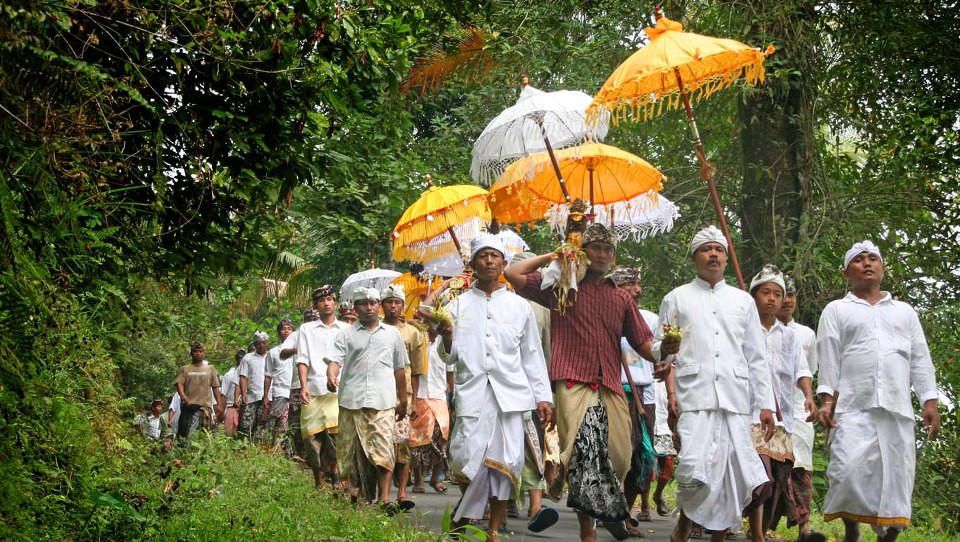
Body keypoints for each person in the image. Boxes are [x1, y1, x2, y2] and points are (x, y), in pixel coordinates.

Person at [505, 223, 650, 542]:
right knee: (586, 452)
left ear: (613, 257)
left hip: (610, 384)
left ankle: (591, 495)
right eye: (594, 248)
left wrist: (666, 352)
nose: (600, 254)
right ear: (583, 252)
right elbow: (513, 274)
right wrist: (556, 256)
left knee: (621, 458)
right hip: (572, 382)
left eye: (607, 250)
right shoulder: (562, 286)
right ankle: (589, 531)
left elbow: (644, 343)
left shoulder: (621, 297)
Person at [649, 226, 775, 542]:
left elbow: (757, 357)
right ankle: (684, 523)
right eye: (707, 249)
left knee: (730, 474)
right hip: (695, 396)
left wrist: (766, 405)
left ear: (726, 257)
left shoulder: (743, 301)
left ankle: (717, 536)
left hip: (735, 400)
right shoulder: (676, 297)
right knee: (692, 468)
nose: (714, 254)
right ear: (695, 258)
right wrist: (664, 350)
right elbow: (658, 346)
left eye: (719, 249)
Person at [816, 241, 940, 542]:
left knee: (896, 478)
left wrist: (929, 400)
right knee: (845, 471)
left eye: (873, 259)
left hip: (896, 410)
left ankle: (889, 538)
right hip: (853, 406)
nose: (867, 263)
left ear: (882, 268)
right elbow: (829, 356)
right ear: (847, 272)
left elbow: (920, 357)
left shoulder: (904, 312)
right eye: (859, 260)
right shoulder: (836, 310)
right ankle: (851, 531)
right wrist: (827, 401)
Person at [439, 234, 554, 541]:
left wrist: (543, 396)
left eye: (494, 256)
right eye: (482, 255)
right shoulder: (456, 306)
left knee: (506, 463)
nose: (489, 261)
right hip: (471, 393)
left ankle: (492, 529)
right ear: (473, 263)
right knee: (465, 458)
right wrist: (447, 336)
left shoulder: (520, 307)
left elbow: (532, 355)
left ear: (504, 263)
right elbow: (445, 355)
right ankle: (466, 514)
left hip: (510, 397)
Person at [743, 265, 815, 542]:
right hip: (749, 413)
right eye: (766, 293)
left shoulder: (790, 336)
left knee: (777, 475)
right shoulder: (744, 330)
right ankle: (757, 533)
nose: (772, 299)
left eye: (777, 293)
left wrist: (808, 396)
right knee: (760, 473)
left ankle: (756, 527)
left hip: (782, 415)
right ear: (754, 296)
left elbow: (802, 370)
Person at [325, 287, 411, 512]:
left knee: (383, 449)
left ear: (378, 305)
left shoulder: (392, 334)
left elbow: (400, 369)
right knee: (351, 453)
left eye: (373, 303)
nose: (369, 307)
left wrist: (404, 400)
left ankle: (384, 499)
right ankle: (356, 498)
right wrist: (331, 374)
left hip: (383, 401)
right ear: (356, 308)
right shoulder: (345, 334)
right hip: (351, 401)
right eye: (364, 303)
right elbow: (335, 360)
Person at [508, 251, 559, 532]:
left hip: (531, 389)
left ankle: (534, 507)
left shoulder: (543, 308)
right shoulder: (500, 302)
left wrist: (546, 392)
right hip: (505, 389)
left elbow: (547, 350)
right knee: (508, 447)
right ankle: (506, 506)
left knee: (533, 445)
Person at [610, 265, 660, 532]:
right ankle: (605, 510)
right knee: (616, 455)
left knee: (641, 458)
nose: (637, 289)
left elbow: (658, 353)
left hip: (642, 393)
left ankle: (626, 513)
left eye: (638, 284)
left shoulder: (649, 319)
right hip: (611, 390)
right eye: (630, 284)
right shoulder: (603, 315)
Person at [283, 286, 349, 489]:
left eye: (330, 299)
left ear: (335, 303)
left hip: (337, 390)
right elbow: (302, 359)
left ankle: (337, 476)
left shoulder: (346, 329)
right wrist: (303, 386)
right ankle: (318, 480)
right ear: (315, 306)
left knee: (335, 435)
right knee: (311, 436)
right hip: (312, 387)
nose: (327, 303)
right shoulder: (306, 329)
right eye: (322, 300)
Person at [770, 276, 819, 538]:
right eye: (782, 294)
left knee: (801, 467)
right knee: (772, 467)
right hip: (768, 409)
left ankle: (805, 527)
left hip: (798, 410)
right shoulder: (759, 330)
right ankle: (761, 524)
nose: (787, 300)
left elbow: (808, 370)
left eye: (791, 295)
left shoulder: (807, 334)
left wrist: (810, 398)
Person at [381, 284, 424, 504]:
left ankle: (402, 493)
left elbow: (417, 370)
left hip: (404, 394)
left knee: (403, 442)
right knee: (383, 443)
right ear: (382, 305)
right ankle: (384, 494)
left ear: (403, 306)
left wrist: (415, 401)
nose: (393, 306)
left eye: (397, 302)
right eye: (389, 302)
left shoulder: (413, 333)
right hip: (380, 393)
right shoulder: (377, 330)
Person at [409, 323, 452, 494]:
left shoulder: (446, 342)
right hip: (419, 394)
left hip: (439, 396)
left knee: (441, 436)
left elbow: (450, 369)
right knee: (417, 439)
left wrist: (451, 389)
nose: (433, 325)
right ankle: (419, 479)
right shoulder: (418, 340)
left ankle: (436, 476)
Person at [173, 342, 225, 440]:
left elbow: (215, 387)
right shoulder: (185, 369)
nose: (198, 353)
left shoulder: (210, 369)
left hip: (205, 408)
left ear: (204, 353)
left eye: (200, 351)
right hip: (189, 407)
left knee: (203, 436)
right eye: (195, 351)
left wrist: (219, 404)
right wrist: (182, 395)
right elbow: (179, 383)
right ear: (191, 353)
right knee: (186, 435)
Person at [263, 319, 295, 448]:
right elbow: (268, 375)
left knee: (293, 422)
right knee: (279, 421)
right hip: (280, 390)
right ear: (278, 332)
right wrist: (265, 395)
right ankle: (276, 448)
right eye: (283, 328)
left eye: (289, 328)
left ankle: (291, 451)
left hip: (296, 390)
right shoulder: (273, 352)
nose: (286, 331)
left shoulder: (300, 349)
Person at [238, 331, 269, 440]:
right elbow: (243, 376)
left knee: (263, 425)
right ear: (254, 345)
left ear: (267, 343)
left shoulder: (271, 356)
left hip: (267, 397)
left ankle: (261, 449)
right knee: (246, 425)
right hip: (251, 396)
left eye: (263, 343)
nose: (261, 345)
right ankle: (244, 447)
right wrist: (243, 393)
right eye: (258, 343)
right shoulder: (248, 358)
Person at [221, 350, 244, 436]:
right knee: (230, 433)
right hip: (231, 406)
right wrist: (222, 412)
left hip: (244, 407)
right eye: (239, 359)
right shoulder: (229, 375)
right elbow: (223, 394)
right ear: (236, 360)